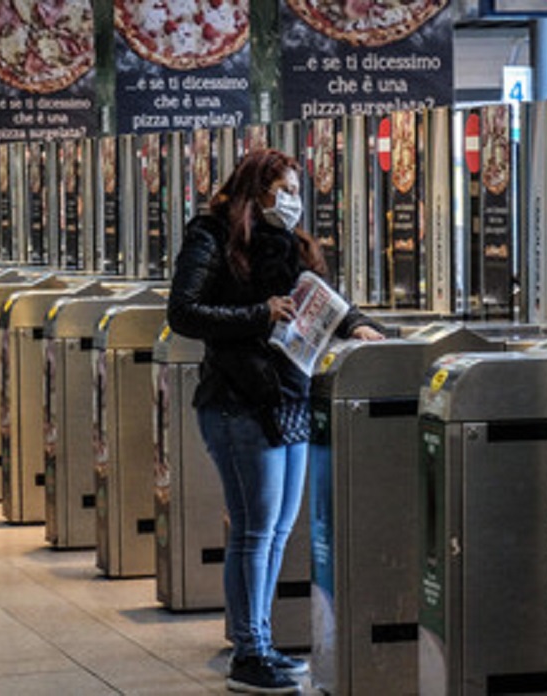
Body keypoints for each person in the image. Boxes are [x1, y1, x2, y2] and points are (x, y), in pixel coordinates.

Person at [167, 149, 383, 694]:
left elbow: (321, 301)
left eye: (294, 190)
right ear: (253, 191)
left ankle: (261, 643)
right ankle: (249, 653)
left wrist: (355, 325)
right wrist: (257, 314)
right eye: (281, 189)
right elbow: (183, 312)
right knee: (254, 531)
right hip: (238, 401)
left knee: (279, 531)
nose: (291, 200)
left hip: (288, 396)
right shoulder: (211, 236)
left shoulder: (290, 244)